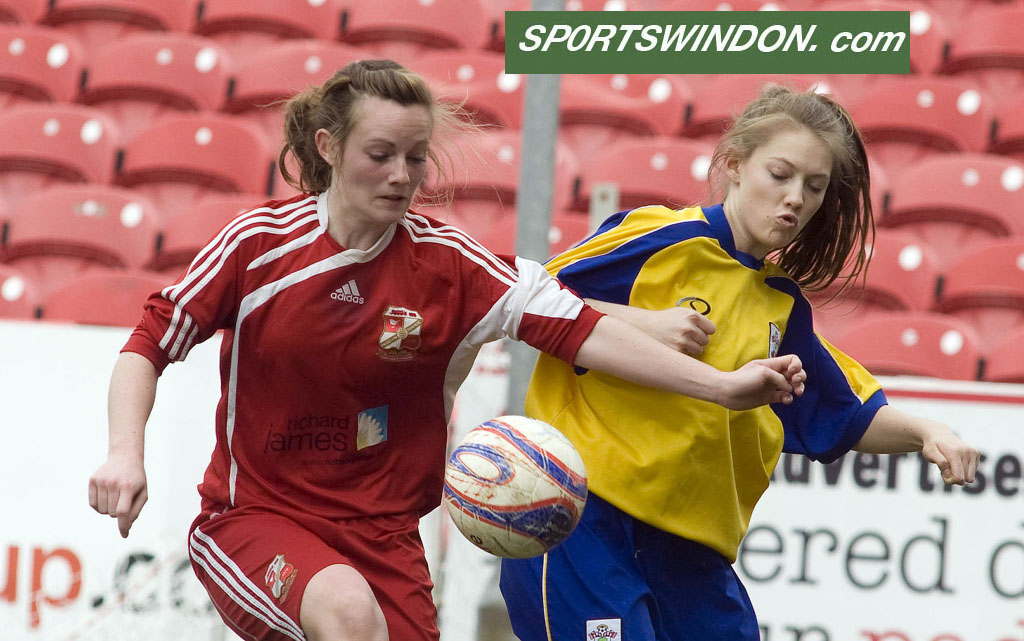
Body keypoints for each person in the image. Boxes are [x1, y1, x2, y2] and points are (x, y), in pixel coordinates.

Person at [86, 60, 807, 641]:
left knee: (357, 611)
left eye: (415, 158)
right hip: (253, 520)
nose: (402, 176)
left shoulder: (453, 267)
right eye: (380, 155)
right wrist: (125, 451)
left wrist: (720, 386)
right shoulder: (258, 248)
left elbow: (584, 329)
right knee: (346, 613)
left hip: (388, 540)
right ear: (329, 149)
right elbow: (148, 342)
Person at [499, 85, 982, 641]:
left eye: (815, 186)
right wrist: (642, 323)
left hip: (692, 556)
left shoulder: (781, 302)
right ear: (732, 164)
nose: (796, 197)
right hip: (583, 521)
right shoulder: (660, 238)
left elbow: (843, 412)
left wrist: (927, 431)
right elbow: (516, 295)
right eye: (780, 174)